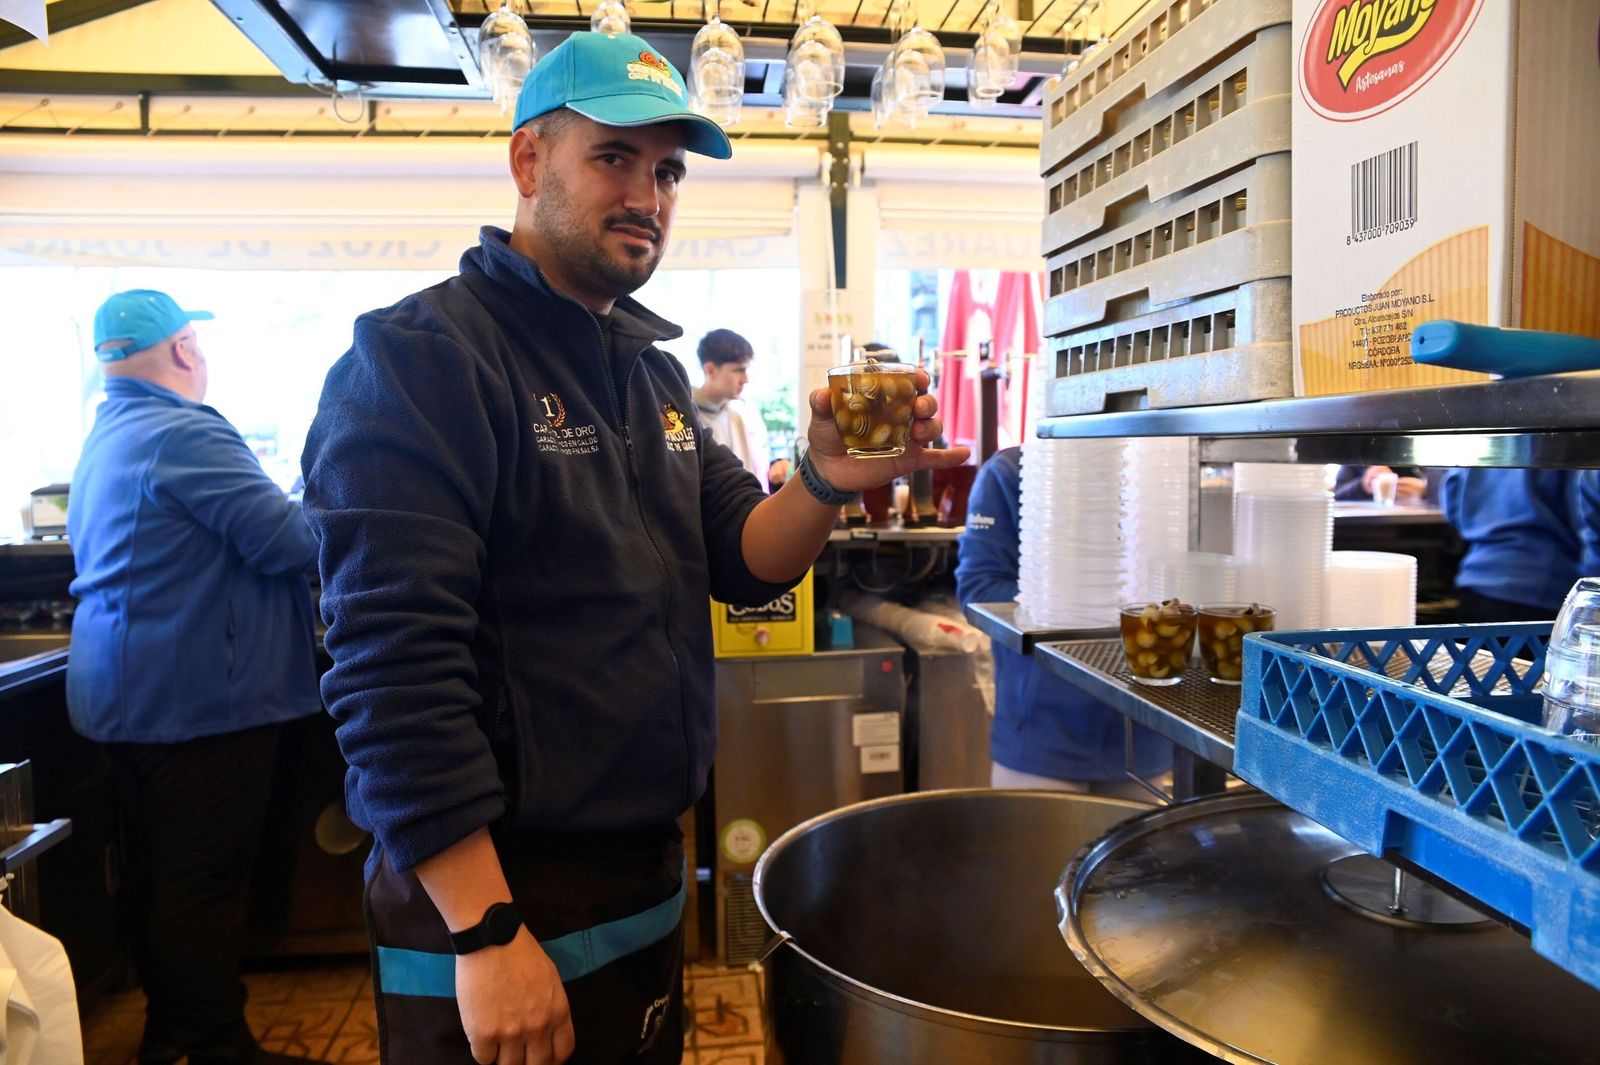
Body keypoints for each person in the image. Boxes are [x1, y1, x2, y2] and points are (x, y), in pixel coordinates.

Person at [299, 31, 965, 1065]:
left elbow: (748, 554)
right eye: (612, 157)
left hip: (640, 866)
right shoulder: (423, 358)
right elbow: (390, 670)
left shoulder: (647, 375)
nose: (647, 194)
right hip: (498, 891)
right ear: (530, 164)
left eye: (665, 172)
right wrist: (483, 933)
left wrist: (829, 479)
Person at [67, 290, 319, 1065]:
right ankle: (215, 1046)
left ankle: (173, 1034)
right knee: (203, 881)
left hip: (130, 690)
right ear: (184, 351)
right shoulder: (184, 430)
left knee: (157, 874)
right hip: (200, 696)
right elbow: (291, 540)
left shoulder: (113, 429)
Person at [956, 447, 1171, 795]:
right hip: (1043, 734)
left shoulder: (1157, 472)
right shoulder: (1013, 471)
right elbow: (979, 588)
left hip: (1141, 733)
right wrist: (1083, 599)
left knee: (1135, 850)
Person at [1438, 468, 1582, 621]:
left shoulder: (1485, 444)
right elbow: (1587, 517)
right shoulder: (1569, 448)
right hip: (1545, 589)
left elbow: (1452, 499)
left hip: (1476, 583)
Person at [692, 328, 769, 487]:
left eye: (746, 369)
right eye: (739, 370)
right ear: (710, 370)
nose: (746, 379)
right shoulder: (687, 417)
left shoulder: (738, 416)